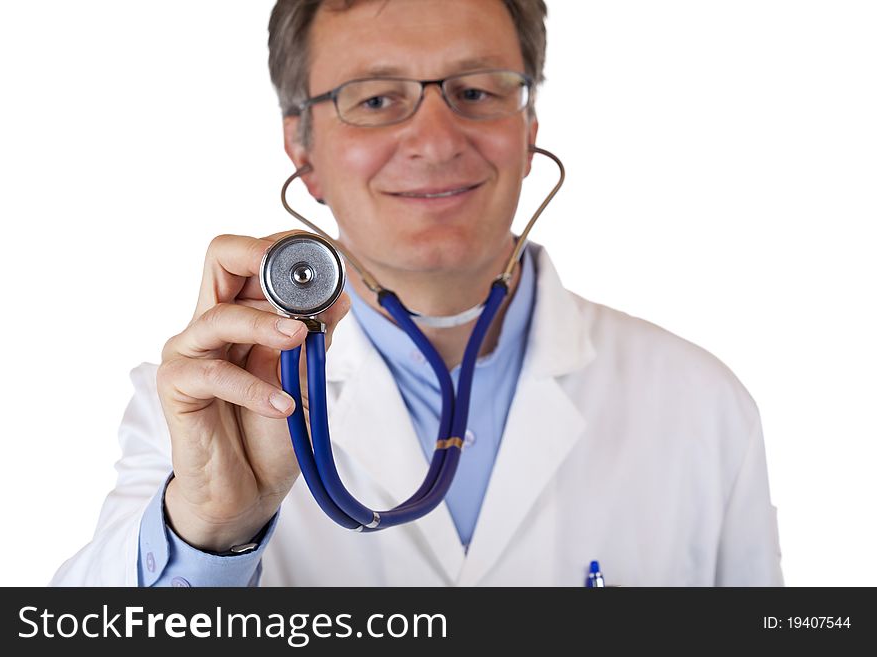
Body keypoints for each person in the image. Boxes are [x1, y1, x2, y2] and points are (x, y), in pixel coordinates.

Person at [51, 0, 783, 586]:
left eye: (475, 91)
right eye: (375, 100)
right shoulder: (201, 411)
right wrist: (209, 529)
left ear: (528, 127)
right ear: (302, 152)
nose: (435, 140)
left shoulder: (701, 404)